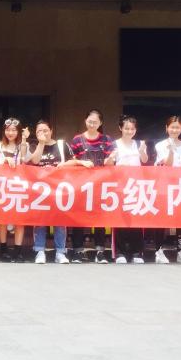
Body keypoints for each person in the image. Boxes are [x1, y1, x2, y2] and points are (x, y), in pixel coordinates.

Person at [25, 119, 79, 264]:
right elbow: (35, 162)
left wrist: (64, 164)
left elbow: (74, 161)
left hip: (59, 190)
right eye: (39, 131)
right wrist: (41, 143)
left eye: (45, 130)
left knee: (60, 221)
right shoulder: (33, 146)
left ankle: (60, 252)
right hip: (40, 191)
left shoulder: (61, 145)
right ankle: (39, 251)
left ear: (51, 131)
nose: (43, 133)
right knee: (40, 221)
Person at [69, 109, 115, 263]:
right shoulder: (77, 139)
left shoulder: (107, 140)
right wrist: (81, 162)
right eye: (90, 121)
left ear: (100, 123)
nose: (92, 124)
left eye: (95, 122)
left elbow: (110, 162)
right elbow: (71, 160)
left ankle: (100, 252)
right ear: (85, 121)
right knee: (78, 217)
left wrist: (111, 159)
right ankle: (77, 251)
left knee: (100, 218)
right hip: (80, 184)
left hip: (100, 185)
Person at [104, 115, 149, 263]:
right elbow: (107, 164)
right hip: (120, 187)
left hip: (136, 186)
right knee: (120, 220)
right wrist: (112, 158)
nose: (129, 131)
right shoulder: (114, 144)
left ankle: (136, 252)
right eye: (126, 128)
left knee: (136, 219)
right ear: (120, 128)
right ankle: (120, 253)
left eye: (132, 129)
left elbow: (145, 160)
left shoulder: (139, 143)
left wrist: (142, 151)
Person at [153, 115, 181, 264]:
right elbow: (167, 164)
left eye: (177, 127)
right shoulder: (160, 145)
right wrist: (171, 151)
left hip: (180, 187)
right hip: (164, 187)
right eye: (172, 127)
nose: (174, 130)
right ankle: (158, 251)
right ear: (166, 128)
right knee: (162, 220)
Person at [0, 118, 30, 262]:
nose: (10, 133)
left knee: (19, 219)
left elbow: (25, 159)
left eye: (14, 130)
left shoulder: (23, 144)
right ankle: (3, 249)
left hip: (19, 185)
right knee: (2, 218)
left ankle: (18, 250)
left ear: (19, 131)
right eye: (8, 130)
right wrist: (4, 160)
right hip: (2, 185)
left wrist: (24, 141)